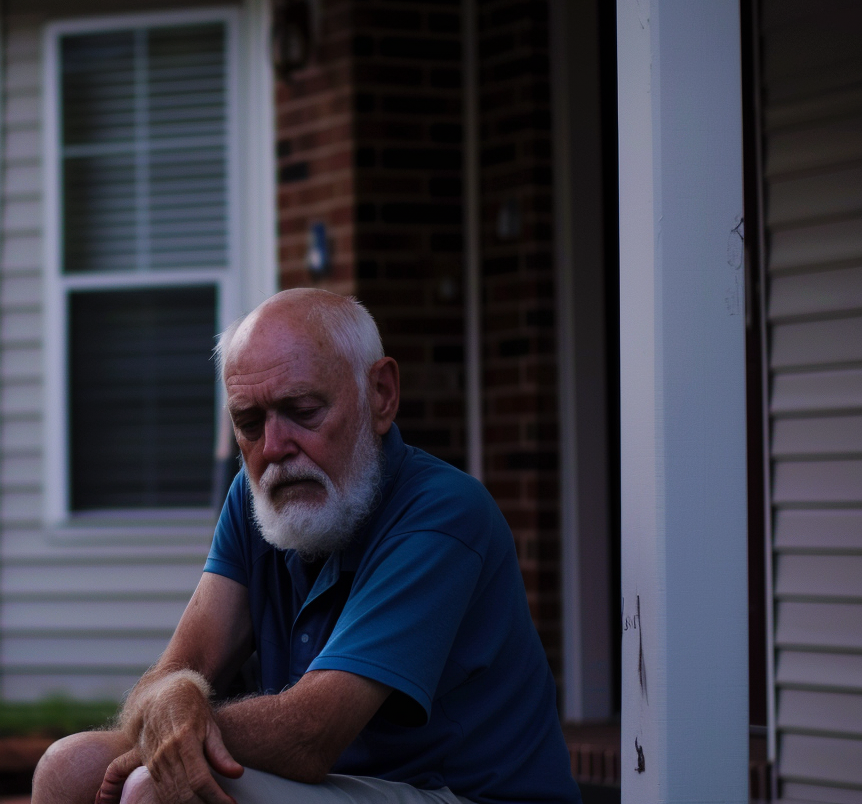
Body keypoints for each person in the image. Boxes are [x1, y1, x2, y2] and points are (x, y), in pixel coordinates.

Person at [31, 288, 581, 804]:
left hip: (461, 794)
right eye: (249, 422)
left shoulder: (443, 514)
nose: (273, 448)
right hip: (345, 786)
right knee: (66, 767)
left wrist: (180, 716)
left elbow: (309, 734)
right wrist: (175, 694)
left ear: (382, 395)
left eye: (303, 411)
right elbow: (177, 670)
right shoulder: (257, 499)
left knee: (160, 791)